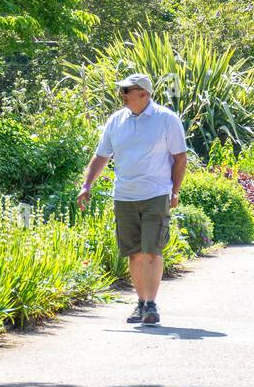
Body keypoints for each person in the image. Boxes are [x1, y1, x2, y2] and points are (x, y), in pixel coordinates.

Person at [77, 73, 188, 326]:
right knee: (134, 253)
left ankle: (151, 304)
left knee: (152, 250)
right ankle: (141, 303)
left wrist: (175, 190)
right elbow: (101, 156)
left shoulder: (166, 119)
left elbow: (180, 158)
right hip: (124, 196)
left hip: (156, 193)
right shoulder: (116, 121)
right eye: (122, 90)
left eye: (127, 90)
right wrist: (86, 185)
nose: (122, 94)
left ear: (144, 93)